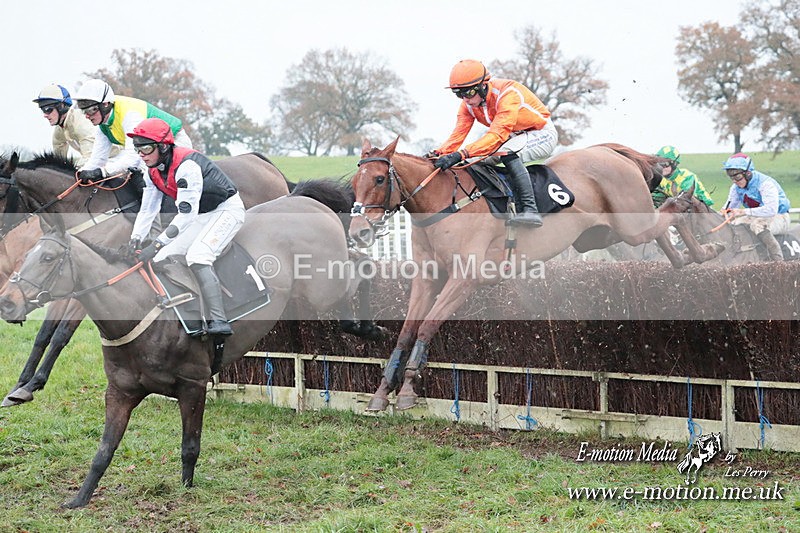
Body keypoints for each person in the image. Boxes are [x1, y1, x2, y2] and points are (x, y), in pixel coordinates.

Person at [126, 118, 245, 336]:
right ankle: (188, 311)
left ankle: (219, 320)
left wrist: (157, 243)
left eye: (145, 147)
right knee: (162, 258)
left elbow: (186, 215)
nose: (141, 153)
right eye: (137, 148)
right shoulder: (151, 169)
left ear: (163, 147)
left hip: (226, 210)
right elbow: (148, 208)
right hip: (201, 214)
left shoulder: (187, 167)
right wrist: (136, 238)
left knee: (198, 256)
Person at [429, 59, 558, 226]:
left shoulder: (507, 94)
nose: (465, 99)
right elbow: (457, 135)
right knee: (475, 161)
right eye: (459, 94)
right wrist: (439, 153)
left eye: (468, 93)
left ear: (483, 85)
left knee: (506, 152)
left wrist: (461, 153)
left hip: (540, 133)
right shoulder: (468, 105)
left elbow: (496, 135)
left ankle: (530, 210)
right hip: (513, 136)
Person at [72, 78, 192, 184]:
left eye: (90, 111)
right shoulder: (103, 125)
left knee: (143, 181)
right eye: (84, 112)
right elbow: (98, 159)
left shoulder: (130, 115)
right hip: (150, 151)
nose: (87, 116)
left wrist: (103, 172)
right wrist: (79, 174)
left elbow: (132, 159)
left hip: (174, 145)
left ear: (105, 104)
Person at [723, 153, 791, 261]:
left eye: (738, 177)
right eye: (732, 177)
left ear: (748, 173)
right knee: (735, 223)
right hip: (756, 216)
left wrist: (743, 212)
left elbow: (771, 210)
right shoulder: (735, 187)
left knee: (757, 225)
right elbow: (728, 209)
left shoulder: (766, 184)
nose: (735, 181)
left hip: (779, 215)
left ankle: (779, 262)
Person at [32, 84, 119, 167]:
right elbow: (58, 162)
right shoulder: (59, 131)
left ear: (61, 106)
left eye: (47, 109)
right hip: (100, 161)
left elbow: (91, 159)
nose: (45, 115)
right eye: (42, 110)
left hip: (117, 159)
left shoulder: (81, 123)